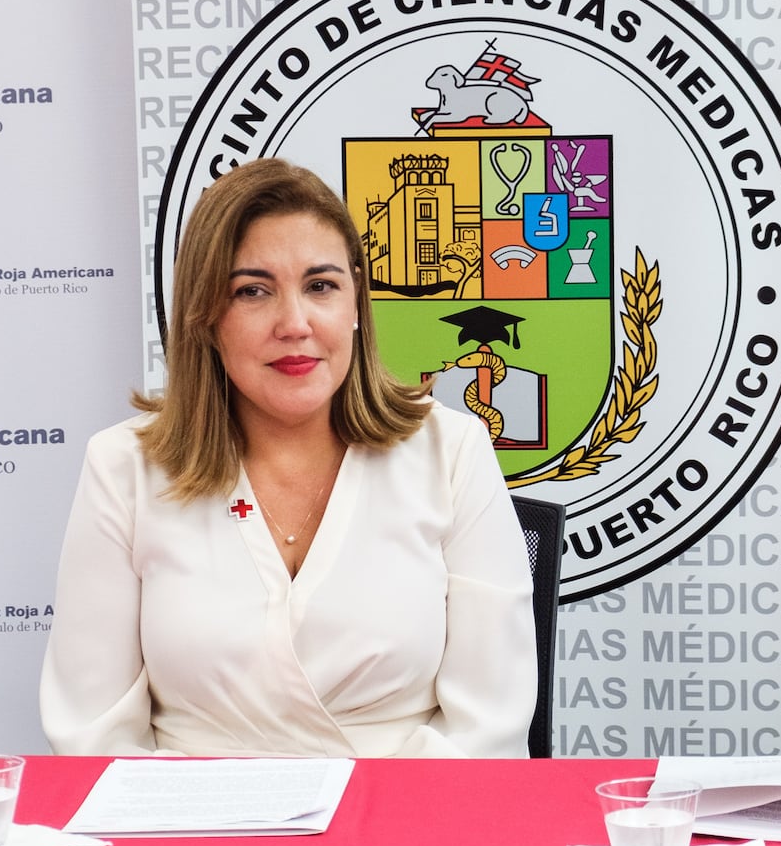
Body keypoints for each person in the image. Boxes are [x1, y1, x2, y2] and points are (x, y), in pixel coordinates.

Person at [41, 158, 535, 757]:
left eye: (321, 286)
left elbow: (489, 723)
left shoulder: (451, 451)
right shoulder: (123, 468)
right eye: (253, 291)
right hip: (190, 828)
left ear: (356, 303)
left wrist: (377, 835)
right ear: (206, 317)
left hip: (408, 822)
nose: (295, 324)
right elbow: (92, 731)